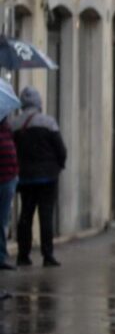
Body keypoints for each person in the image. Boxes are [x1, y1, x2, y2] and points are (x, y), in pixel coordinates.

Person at [13, 86, 66, 267]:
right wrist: (58, 166)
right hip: (47, 178)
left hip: (25, 178)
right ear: (38, 103)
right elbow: (61, 149)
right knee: (46, 215)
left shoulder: (15, 124)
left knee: (25, 215)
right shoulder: (48, 122)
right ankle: (47, 255)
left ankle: (23, 254)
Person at [0, 116, 18, 275]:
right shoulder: (7, 129)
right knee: (2, 220)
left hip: (8, 179)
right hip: (7, 178)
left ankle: (1, 256)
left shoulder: (7, 128)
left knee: (3, 220)